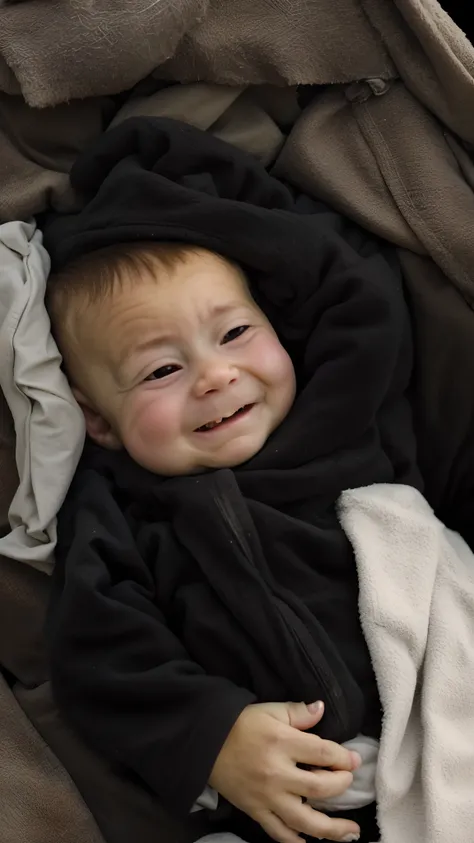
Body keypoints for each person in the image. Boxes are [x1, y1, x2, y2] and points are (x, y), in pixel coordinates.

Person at [43, 116, 419, 843]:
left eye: (235, 332)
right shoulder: (124, 512)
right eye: (159, 370)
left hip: (437, 737)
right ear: (99, 421)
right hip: (284, 809)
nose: (216, 375)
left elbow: (355, 289)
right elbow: (96, 652)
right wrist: (215, 739)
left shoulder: (348, 418)